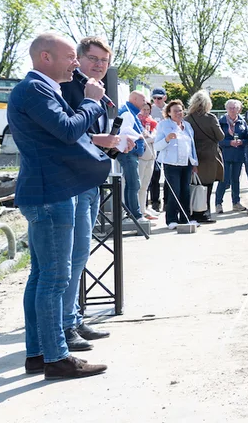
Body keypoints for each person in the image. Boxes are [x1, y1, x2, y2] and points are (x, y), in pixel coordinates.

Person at [9, 33, 114, 379]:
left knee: (41, 276)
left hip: (47, 191)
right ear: (45, 57)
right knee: (55, 278)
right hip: (50, 194)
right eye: (71, 56)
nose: (76, 63)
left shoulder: (39, 89)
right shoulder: (35, 90)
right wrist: (91, 102)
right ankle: (56, 356)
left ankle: (38, 352)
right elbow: (69, 131)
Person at [59, 36, 125, 353]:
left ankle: (73, 317)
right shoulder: (72, 86)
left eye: (104, 61)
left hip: (91, 178)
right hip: (71, 181)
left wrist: (112, 141)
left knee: (81, 254)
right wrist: (105, 141)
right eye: (94, 59)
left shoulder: (95, 89)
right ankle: (65, 326)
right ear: (79, 58)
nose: (99, 65)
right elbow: (71, 133)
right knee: (70, 257)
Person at [153, 99, 199, 229]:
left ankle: (185, 218)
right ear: (169, 113)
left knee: (185, 191)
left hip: (187, 163)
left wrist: (195, 162)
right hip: (171, 163)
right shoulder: (163, 125)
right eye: (175, 111)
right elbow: (157, 145)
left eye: (180, 110)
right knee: (175, 191)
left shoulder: (187, 126)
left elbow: (192, 145)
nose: (178, 113)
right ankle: (171, 219)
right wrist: (167, 139)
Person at [185, 91, 224, 224]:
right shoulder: (211, 117)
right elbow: (221, 136)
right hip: (209, 155)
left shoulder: (187, 118)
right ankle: (204, 212)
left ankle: (193, 211)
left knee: (194, 185)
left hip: (193, 155)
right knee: (207, 186)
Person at [115, 90, 147, 220]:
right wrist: (139, 135)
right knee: (134, 184)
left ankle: (131, 213)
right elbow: (125, 130)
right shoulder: (128, 113)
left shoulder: (128, 111)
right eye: (143, 100)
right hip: (128, 153)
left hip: (128, 153)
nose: (145, 103)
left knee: (131, 184)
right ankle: (136, 214)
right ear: (134, 99)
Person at [217, 98, 248, 213]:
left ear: (238, 109)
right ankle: (218, 204)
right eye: (230, 108)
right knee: (224, 180)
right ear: (226, 109)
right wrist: (229, 142)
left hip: (238, 155)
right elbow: (217, 140)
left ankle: (236, 202)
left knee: (236, 179)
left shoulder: (242, 122)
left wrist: (242, 142)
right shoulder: (221, 122)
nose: (232, 110)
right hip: (225, 154)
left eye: (234, 108)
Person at [136, 102, 159, 219]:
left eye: (148, 109)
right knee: (138, 185)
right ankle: (137, 210)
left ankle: (143, 209)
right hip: (141, 157)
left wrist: (149, 138)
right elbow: (142, 138)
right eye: (143, 109)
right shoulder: (136, 121)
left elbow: (155, 137)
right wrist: (149, 139)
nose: (146, 112)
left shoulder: (152, 122)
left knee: (145, 185)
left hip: (151, 157)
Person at [147, 87, 167, 210]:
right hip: (155, 144)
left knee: (169, 175)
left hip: (167, 144)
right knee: (155, 173)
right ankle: (155, 201)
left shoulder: (169, 109)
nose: (156, 100)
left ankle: (167, 201)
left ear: (164, 97)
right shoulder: (150, 110)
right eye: (154, 98)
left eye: (159, 98)